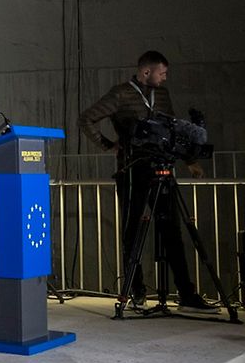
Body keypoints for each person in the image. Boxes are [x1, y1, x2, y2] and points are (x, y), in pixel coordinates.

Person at [78, 50, 217, 313]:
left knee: (173, 232)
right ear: (146, 72)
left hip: (162, 169)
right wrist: (109, 145)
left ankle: (186, 293)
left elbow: (173, 129)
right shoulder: (120, 93)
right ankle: (136, 290)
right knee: (133, 232)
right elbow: (86, 118)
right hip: (133, 170)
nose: (164, 78)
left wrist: (189, 160)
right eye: (162, 73)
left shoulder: (162, 95)